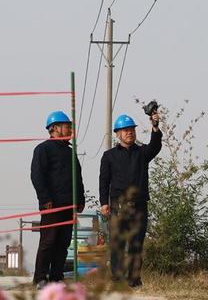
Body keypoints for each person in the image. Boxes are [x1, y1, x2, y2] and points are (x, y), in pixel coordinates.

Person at [99, 108, 162, 288]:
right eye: (126, 130)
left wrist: (155, 128)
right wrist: (104, 203)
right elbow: (104, 180)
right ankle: (118, 279)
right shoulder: (109, 156)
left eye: (132, 129)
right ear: (118, 134)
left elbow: (155, 146)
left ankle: (134, 279)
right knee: (118, 243)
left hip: (140, 206)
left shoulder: (142, 153)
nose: (129, 133)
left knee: (136, 243)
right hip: (118, 207)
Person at [30, 110, 85, 287]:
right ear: (55, 128)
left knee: (63, 242)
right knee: (48, 241)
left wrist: (80, 199)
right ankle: (40, 278)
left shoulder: (70, 152)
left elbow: (78, 176)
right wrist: (45, 198)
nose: (70, 130)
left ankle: (56, 277)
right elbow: (37, 176)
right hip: (52, 205)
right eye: (67, 126)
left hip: (69, 204)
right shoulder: (43, 149)